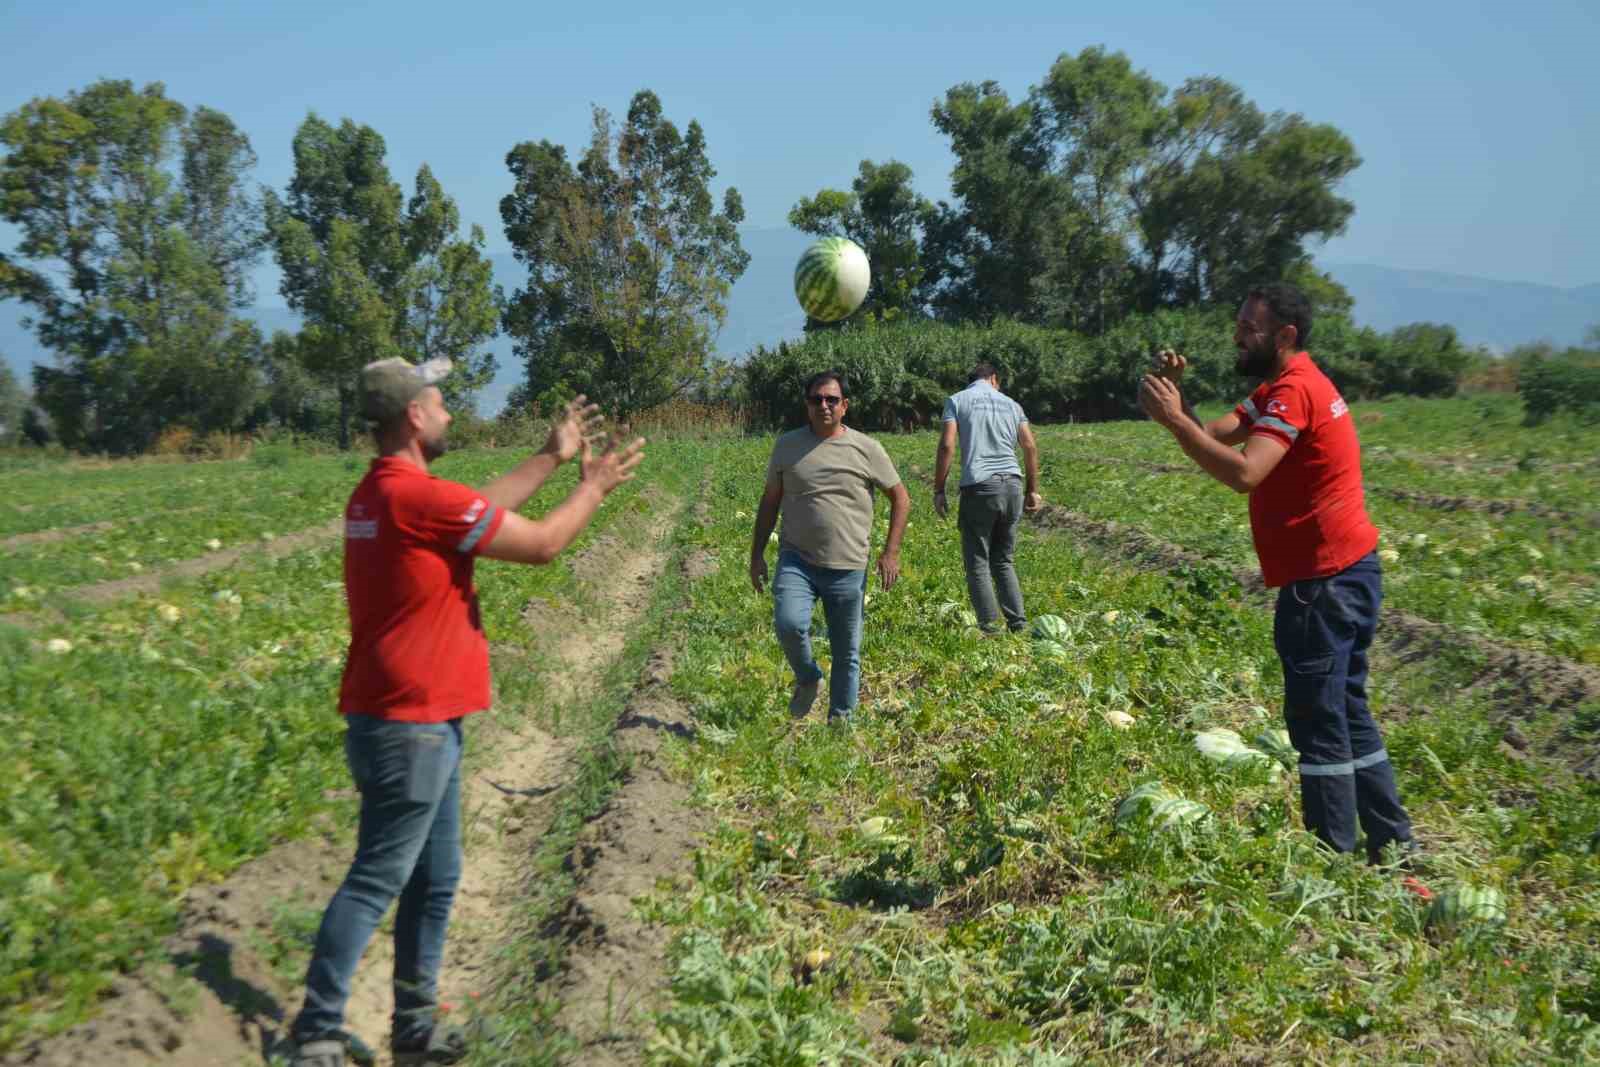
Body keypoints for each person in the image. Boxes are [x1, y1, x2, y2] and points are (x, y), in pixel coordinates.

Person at [291, 357, 644, 1067]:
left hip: (419, 717)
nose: (451, 413)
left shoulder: (385, 493)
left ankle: (415, 1028)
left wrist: (549, 455)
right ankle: (317, 1030)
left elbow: (472, 506)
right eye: (441, 402)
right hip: (409, 724)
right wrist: (594, 485)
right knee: (379, 875)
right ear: (414, 416)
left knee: (435, 874)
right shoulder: (413, 499)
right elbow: (542, 544)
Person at [1138, 282, 1418, 869]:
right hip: (1346, 573)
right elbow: (1212, 435)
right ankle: (1393, 845)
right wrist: (1177, 407)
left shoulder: (1294, 392)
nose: (1237, 335)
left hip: (1325, 582)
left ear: (1284, 335)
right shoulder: (1279, 389)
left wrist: (1174, 421)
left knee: (1318, 720)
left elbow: (1245, 472)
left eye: (1249, 327)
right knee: (1346, 708)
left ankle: (1332, 859)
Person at [749, 370, 910, 723]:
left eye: (831, 399)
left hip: (848, 565)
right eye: (816, 399)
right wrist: (756, 554)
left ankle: (840, 723)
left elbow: (900, 497)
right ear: (806, 405)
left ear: (845, 406)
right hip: (797, 559)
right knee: (789, 624)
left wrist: (890, 551)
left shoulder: (867, 448)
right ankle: (808, 678)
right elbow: (769, 501)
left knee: (846, 652)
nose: (824, 405)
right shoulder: (787, 446)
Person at [932, 362, 1043, 633]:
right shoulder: (1012, 404)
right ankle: (1018, 623)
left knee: (977, 560)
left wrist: (939, 488)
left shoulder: (957, 400)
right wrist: (1032, 489)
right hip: (1013, 484)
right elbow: (1029, 445)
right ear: (994, 379)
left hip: (980, 487)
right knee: (1003, 559)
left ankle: (991, 628)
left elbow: (947, 444)